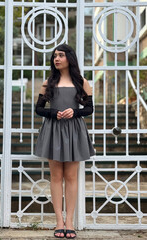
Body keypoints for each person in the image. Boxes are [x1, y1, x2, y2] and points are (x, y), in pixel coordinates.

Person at [35, 44, 95, 239]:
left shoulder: (82, 82)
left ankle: (70, 222)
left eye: (61, 55)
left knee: (71, 177)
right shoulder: (48, 83)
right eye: (54, 56)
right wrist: (53, 113)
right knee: (55, 177)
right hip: (54, 129)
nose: (57, 59)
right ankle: (59, 222)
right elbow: (39, 109)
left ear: (70, 57)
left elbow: (89, 109)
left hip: (74, 130)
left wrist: (75, 111)